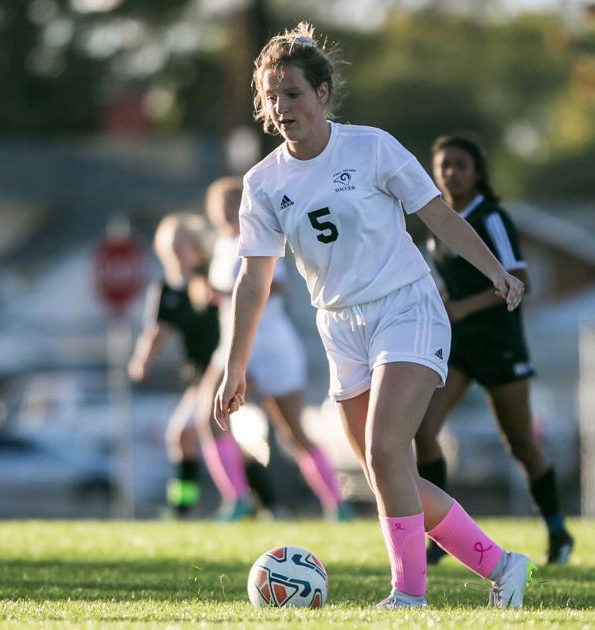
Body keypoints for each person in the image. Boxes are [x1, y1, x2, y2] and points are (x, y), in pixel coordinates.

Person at [214, 22, 534, 609]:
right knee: (390, 477)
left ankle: (409, 597)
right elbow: (253, 278)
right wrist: (235, 366)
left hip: (406, 308)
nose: (282, 108)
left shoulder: (372, 147)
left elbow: (437, 216)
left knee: (388, 450)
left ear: (324, 93)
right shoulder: (261, 184)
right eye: (271, 97)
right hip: (339, 327)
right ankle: (503, 565)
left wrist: (495, 271)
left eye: (294, 94)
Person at [417, 134, 575, 566]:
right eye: (443, 164)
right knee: (423, 430)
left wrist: (464, 307)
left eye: (460, 164)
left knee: (521, 444)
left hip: (499, 344)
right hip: (457, 348)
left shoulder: (491, 217)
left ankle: (558, 531)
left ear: (477, 172)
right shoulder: (437, 220)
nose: (451, 172)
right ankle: (439, 535)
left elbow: (519, 275)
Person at [199, 175, 347, 521]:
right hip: (233, 346)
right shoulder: (220, 246)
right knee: (208, 417)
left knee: (292, 432)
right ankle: (236, 498)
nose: (226, 212)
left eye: (232, 204)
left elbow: (273, 286)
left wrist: (222, 293)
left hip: (272, 346)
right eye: (220, 207)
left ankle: (337, 503)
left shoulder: (258, 238)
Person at [128, 215, 276, 517]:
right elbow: (157, 329)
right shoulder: (166, 289)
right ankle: (263, 504)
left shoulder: (208, 275)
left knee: (188, 434)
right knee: (205, 439)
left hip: (223, 370)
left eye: (182, 242)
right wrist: (142, 359)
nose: (176, 250)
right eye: (170, 244)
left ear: (194, 246)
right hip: (197, 375)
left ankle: (211, 505)